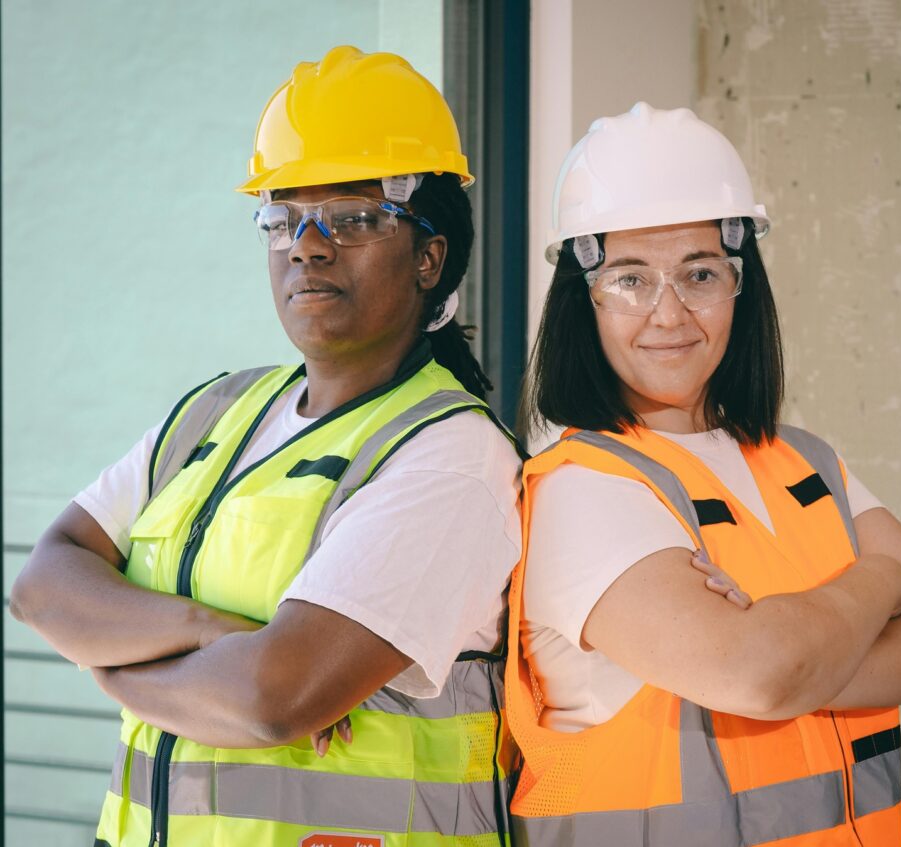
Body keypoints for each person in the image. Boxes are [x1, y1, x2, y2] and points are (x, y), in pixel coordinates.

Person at [11, 46, 521, 847]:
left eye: (352, 217)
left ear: (430, 256)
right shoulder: (214, 413)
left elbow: (273, 696)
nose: (308, 245)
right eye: (283, 220)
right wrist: (210, 631)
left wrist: (111, 661)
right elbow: (42, 587)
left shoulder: (451, 456)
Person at [506, 102, 901, 846]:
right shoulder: (580, 489)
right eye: (630, 279)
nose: (669, 314)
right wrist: (883, 581)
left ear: (740, 285)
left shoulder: (803, 459)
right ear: (581, 297)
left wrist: (800, 658)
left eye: (700, 273)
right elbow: (758, 676)